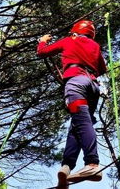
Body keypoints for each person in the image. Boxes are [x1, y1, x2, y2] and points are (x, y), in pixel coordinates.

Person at [37, 20, 107, 187]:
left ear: (75, 32)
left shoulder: (70, 40)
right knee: (77, 125)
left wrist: (42, 40)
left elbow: (42, 52)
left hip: (76, 83)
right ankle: (67, 168)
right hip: (93, 86)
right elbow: (102, 69)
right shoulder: (95, 46)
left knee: (82, 122)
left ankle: (92, 164)